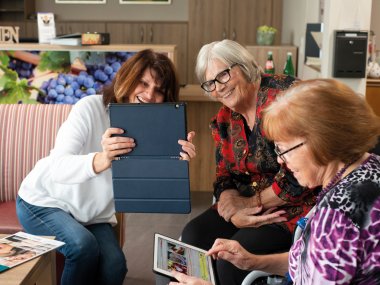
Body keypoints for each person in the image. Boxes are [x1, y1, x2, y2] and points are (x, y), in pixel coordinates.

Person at [169, 78, 380, 285]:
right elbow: (312, 263)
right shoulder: (368, 168)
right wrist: (252, 261)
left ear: (319, 141)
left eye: (283, 149)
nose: (280, 160)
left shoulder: (339, 214)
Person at [16, 49, 196, 285]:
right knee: (82, 246)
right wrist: (102, 159)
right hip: (43, 202)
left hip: (91, 214)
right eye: (143, 83)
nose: (150, 94)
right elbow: (57, 167)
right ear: (128, 79)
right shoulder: (89, 108)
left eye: (159, 90)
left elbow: (148, 193)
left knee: (115, 265)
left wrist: (175, 166)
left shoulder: (152, 131)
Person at [180, 39, 316, 284]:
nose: (218, 88)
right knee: (193, 236)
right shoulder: (224, 118)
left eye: (222, 76)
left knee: (231, 257)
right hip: (244, 206)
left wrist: (249, 205)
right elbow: (223, 176)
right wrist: (232, 211)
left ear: (243, 66)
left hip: (288, 212)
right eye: (209, 83)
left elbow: (301, 173)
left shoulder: (285, 97)